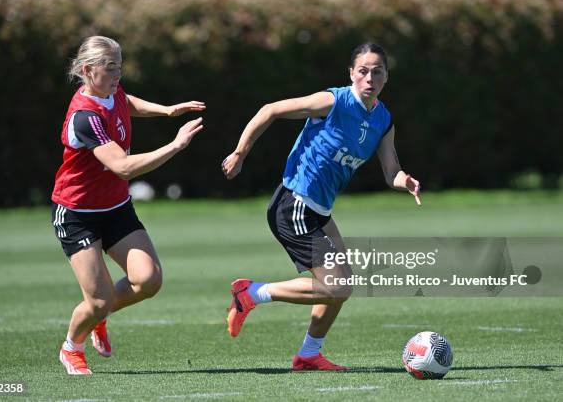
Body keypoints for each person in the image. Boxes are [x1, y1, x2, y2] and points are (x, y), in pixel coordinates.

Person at [221, 43, 421, 371]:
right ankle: (250, 294)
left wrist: (405, 181)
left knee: (342, 288)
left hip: (319, 211)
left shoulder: (383, 119)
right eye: (363, 70)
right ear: (351, 74)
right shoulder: (334, 101)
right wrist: (240, 153)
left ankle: (309, 355)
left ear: (386, 76)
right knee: (337, 285)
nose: (370, 77)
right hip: (294, 204)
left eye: (378, 71)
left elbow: (391, 170)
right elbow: (270, 109)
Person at [51, 35, 205, 375]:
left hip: (116, 207)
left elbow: (125, 100)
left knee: (148, 280)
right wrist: (176, 145)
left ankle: (98, 318)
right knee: (100, 300)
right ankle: (72, 347)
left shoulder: (111, 91)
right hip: (78, 215)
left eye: (120, 66)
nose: (118, 74)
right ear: (89, 71)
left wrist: (165, 110)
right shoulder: (84, 117)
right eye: (110, 68)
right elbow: (122, 166)